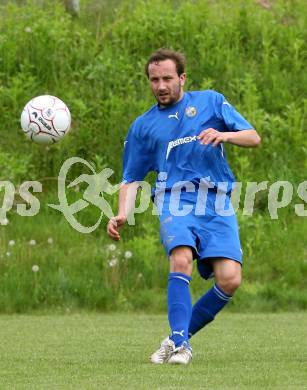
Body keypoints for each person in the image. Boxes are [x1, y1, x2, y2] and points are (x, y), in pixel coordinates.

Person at [107, 48, 261, 365]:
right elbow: (131, 177)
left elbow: (253, 137)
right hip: (173, 199)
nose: (161, 86)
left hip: (216, 200)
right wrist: (122, 212)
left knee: (230, 279)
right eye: (154, 80)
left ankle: (177, 337)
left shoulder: (211, 102)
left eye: (166, 78)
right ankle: (181, 347)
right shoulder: (143, 126)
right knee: (181, 258)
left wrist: (224, 135)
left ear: (182, 78)